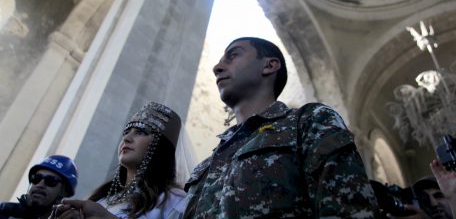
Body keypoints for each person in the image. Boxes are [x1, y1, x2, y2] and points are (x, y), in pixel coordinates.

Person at [183, 37, 378, 218]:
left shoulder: (309, 122)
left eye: (233, 55)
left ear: (269, 65)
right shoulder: (208, 163)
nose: (217, 67)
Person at [54, 102, 187, 219]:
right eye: (126, 132)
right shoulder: (103, 199)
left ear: (160, 145)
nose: (127, 138)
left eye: (141, 132)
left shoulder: (174, 201)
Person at [0, 155, 78, 219]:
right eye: (36, 178)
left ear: (64, 192)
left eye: (50, 181)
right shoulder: (3, 211)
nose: (40, 185)